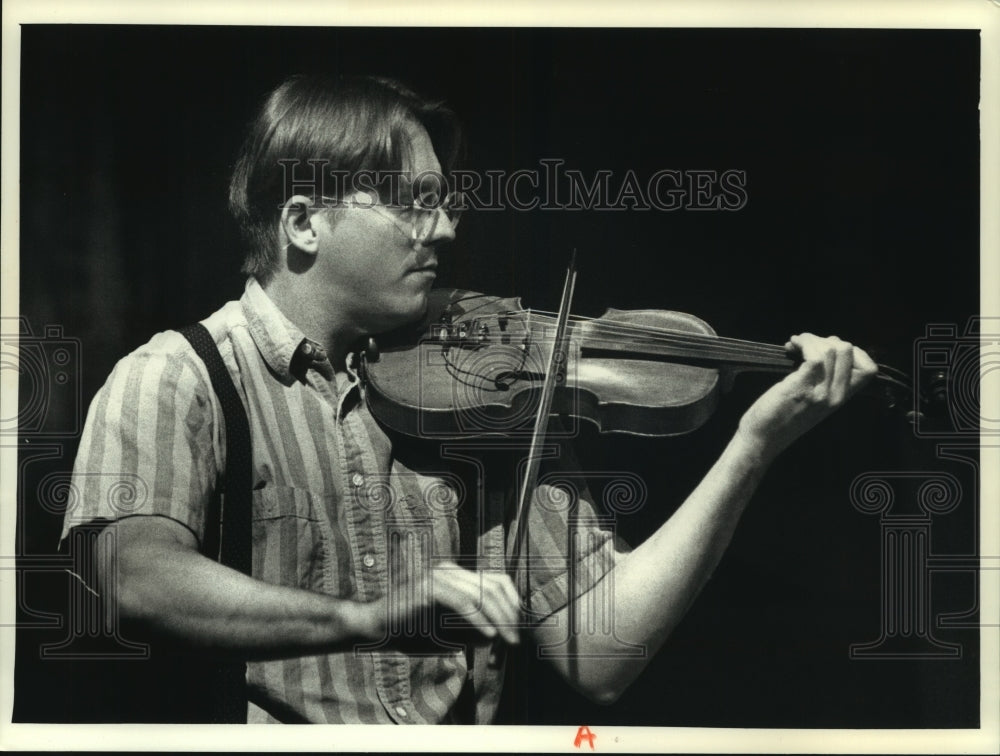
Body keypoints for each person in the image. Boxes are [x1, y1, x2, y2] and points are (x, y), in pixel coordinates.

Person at [61, 73, 878, 724]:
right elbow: (132, 576)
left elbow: (602, 656)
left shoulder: (481, 399)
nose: (447, 228)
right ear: (305, 222)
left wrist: (752, 448)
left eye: (445, 202)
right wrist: (371, 616)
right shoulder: (177, 377)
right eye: (415, 203)